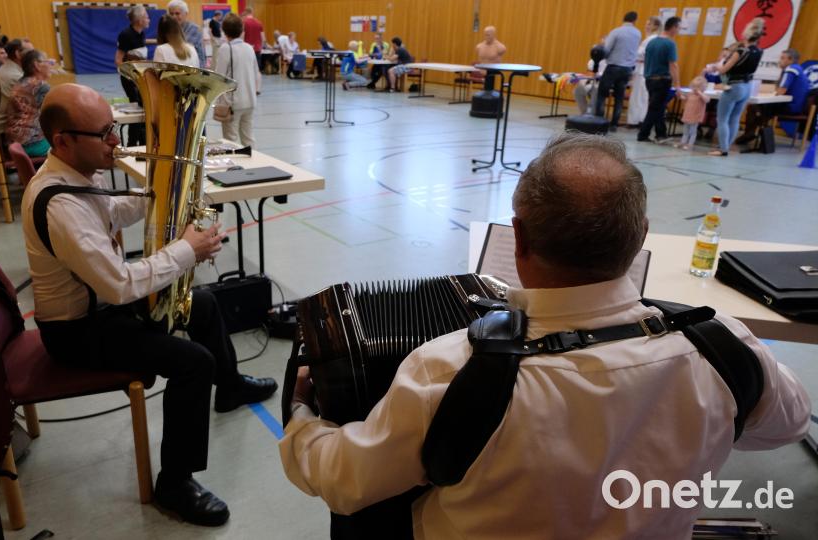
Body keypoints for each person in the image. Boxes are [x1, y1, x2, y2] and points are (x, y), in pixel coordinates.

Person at [279, 132, 811, 539]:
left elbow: (345, 482)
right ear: (641, 235)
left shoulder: (444, 369)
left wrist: (303, 417)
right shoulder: (723, 348)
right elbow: (784, 425)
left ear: (520, 241)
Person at [23, 82, 276, 526]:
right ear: (62, 140)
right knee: (193, 363)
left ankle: (230, 387)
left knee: (204, 303)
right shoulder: (59, 205)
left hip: (102, 310)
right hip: (80, 332)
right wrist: (186, 251)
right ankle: (174, 484)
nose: (115, 142)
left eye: (112, 129)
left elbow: (111, 213)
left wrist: (164, 190)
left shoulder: (75, 176)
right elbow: (119, 284)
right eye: (103, 134)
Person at [709, 18, 764, 156]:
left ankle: (723, 149)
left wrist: (716, 66)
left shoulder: (740, 51)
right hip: (747, 86)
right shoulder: (758, 51)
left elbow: (723, 70)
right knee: (735, 118)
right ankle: (726, 145)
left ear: (746, 34)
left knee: (722, 119)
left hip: (734, 86)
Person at [736, 48, 809, 144]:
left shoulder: (791, 69)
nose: (780, 61)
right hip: (796, 106)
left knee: (754, 107)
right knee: (761, 109)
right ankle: (756, 133)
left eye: (782, 58)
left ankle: (751, 133)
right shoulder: (798, 69)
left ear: (790, 59)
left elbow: (781, 90)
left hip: (790, 106)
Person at [214, 13, 260, 147]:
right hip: (250, 101)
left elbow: (219, 77)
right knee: (249, 140)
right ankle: (256, 164)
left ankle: (233, 168)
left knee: (230, 141)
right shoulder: (249, 48)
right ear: (241, 29)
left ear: (224, 30)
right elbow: (256, 73)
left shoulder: (225, 48)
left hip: (233, 103)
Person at [637, 16, 680, 143]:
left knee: (659, 107)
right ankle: (643, 135)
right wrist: (677, 84)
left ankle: (661, 134)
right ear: (673, 28)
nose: (678, 31)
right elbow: (673, 64)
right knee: (655, 108)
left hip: (649, 79)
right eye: (678, 28)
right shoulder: (670, 43)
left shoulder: (652, 42)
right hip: (662, 80)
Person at [595, 12, 641, 130]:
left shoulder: (616, 31)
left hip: (613, 67)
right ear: (635, 20)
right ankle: (614, 124)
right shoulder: (638, 33)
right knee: (619, 97)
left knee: (602, 94)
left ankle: (599, 121)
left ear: (623, 19)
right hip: (627, 69)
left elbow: (606, 49)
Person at [5, 49, 52, 157]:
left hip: (15, 141)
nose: (50, 65)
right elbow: (54, 115)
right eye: (48, 62)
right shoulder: (41, 86)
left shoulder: (22, 82)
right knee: (70, 145)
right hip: (30, 143)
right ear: (37, 65)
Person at [115, 6, 150, 147]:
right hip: (130, 79)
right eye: (146, 17)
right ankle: (131, 144)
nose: (149, 19)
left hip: (140, 78)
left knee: (143, 108)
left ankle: (142, 141)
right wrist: (130, 76)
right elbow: (118, 59)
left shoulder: (141, 33)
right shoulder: (126, 35)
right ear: (139, 20)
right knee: (137, 109)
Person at [627, 16, 661, 126]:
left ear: (656, 26)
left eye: (649, 24)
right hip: (641, 69)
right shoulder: (649, 38)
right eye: (646, 24)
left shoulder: (653, 39)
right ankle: (638, 119)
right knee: (640, 96)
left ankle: (637, 120)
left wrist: (634, 53)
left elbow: (643, 54)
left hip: (644, 69)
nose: (646, 26)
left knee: (640, 96)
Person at [0, 39, 24, 133]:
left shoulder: (5, 68)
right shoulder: (15, 75)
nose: (34, 55)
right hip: (2, 131)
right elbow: (30, 109)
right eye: (30, 51)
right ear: (17, 54)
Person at [674, 76, 710, 150]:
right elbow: (684, 98)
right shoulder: (690, 94)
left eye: (698, 87)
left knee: (692, 132)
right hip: (687, 115)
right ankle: (683, 142)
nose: (695, 89)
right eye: (694, 87)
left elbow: (707, 100)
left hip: (695, 116)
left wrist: (700, 93)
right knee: (685, 131)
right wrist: (679, 95)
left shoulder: (703, 96)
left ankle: (690, 144)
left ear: (703, 88)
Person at [167, 1, 206, 68]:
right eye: (171, 14)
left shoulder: (194, 29)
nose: (174, 17)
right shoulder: (169, 29)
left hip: (194, 69)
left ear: (185, 14)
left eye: (177, 13)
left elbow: (182, 48)